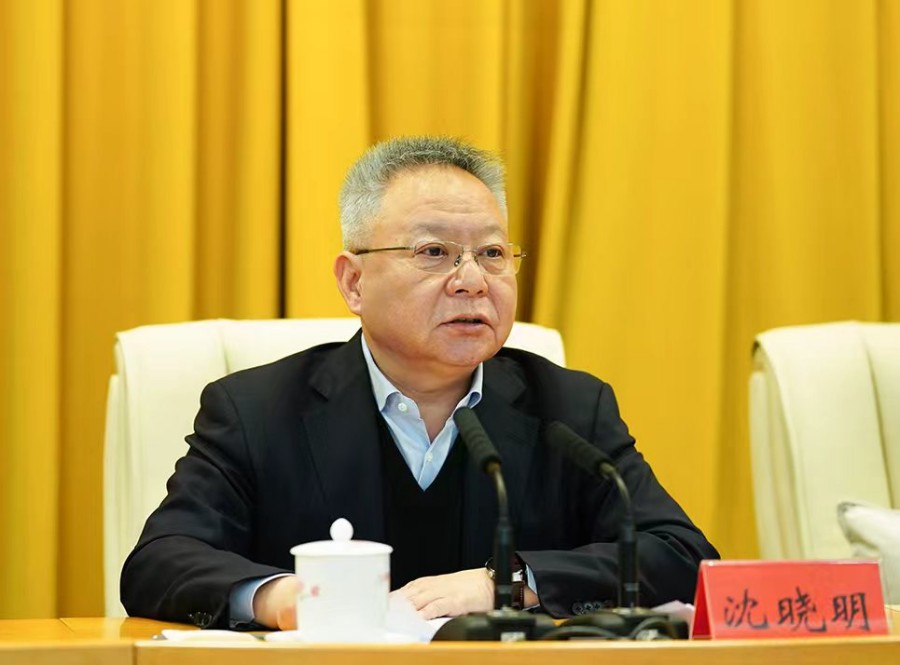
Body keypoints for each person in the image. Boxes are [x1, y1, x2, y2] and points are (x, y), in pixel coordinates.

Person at [121, 136, 718, 630]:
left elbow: (681, 554)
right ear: (354, 282)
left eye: (492, 254)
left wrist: (509, 582)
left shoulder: (569, 408)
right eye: (434, 252)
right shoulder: (257, 410)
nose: (472, 280)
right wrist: (282, 599)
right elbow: (159, 561)